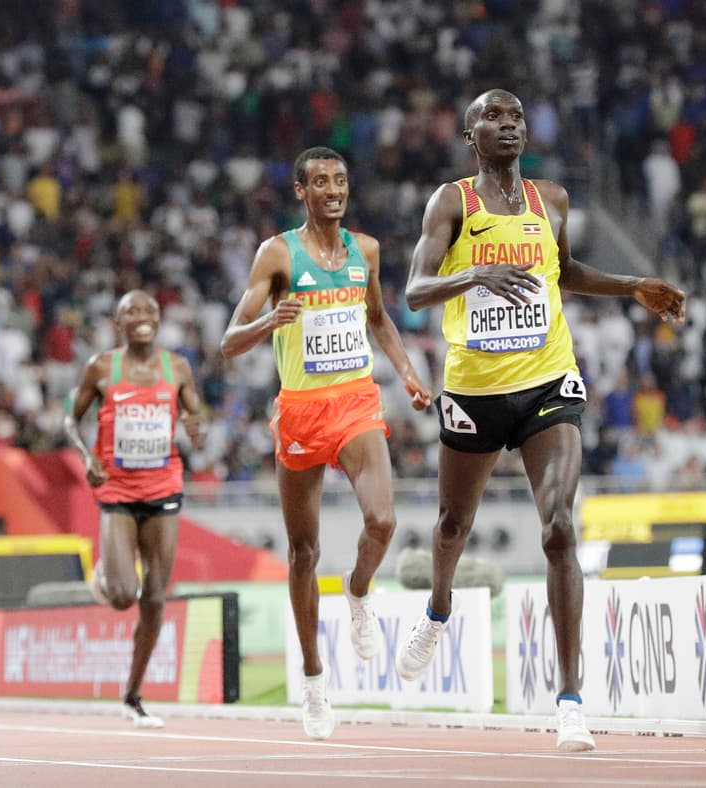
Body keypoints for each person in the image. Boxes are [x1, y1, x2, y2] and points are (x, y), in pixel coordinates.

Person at [398, 89, 686, 753]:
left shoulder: (551, 199)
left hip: (548, 383)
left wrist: (632, 286)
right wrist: (476, 275)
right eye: (493, 118)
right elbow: (415, 290)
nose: (508, 125)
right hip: (473, 390)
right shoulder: (452, 203)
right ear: (472, 135)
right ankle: (439, 607)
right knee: (452, 524)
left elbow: (563, 273)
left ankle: (570, 699)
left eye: (516, 116)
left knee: (559, 527)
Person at [220, 147, 433, 740]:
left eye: (339, 179)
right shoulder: (277, 253)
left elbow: (379, 319)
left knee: (383, 521)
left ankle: (359, 589)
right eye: (319, 181)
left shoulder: (366, 250)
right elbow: (229, 341)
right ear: (300, 191)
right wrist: (270, 321)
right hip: (300, 413)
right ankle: (314, 681)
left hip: (356, 401)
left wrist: (408, 371)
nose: (332, 189)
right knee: (303, 553)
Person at [64, 289, 205, 729]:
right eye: (131, 312)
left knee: (156, 596)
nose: (142, 317)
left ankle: (134, 694)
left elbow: (195, 413)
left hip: (163, 487)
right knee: (124, 595)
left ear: (160, 320)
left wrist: (196, 425)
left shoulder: (176, 366)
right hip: (118, 491)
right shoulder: (102, 367)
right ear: (117, 322)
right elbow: (71, 419)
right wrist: (88, 457)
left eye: (149, 310)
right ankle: (107, 571)